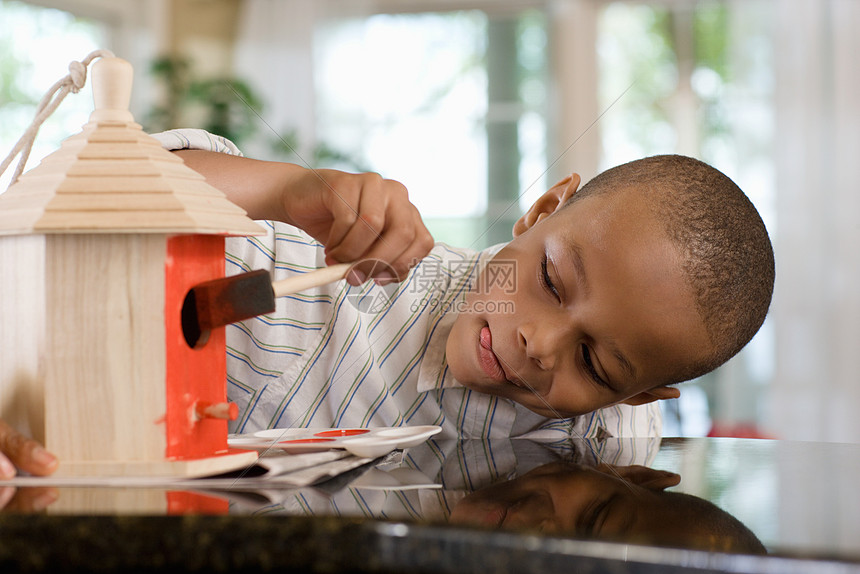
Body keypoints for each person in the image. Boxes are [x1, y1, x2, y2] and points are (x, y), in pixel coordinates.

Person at [0, 128, 774, 477]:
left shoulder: (604, 444)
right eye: (550, 282)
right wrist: (284, 188)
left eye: (594, 363)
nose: (541, 344)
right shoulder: (337, 260)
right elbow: (101, 183)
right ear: (540, 212)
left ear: (640, 393)